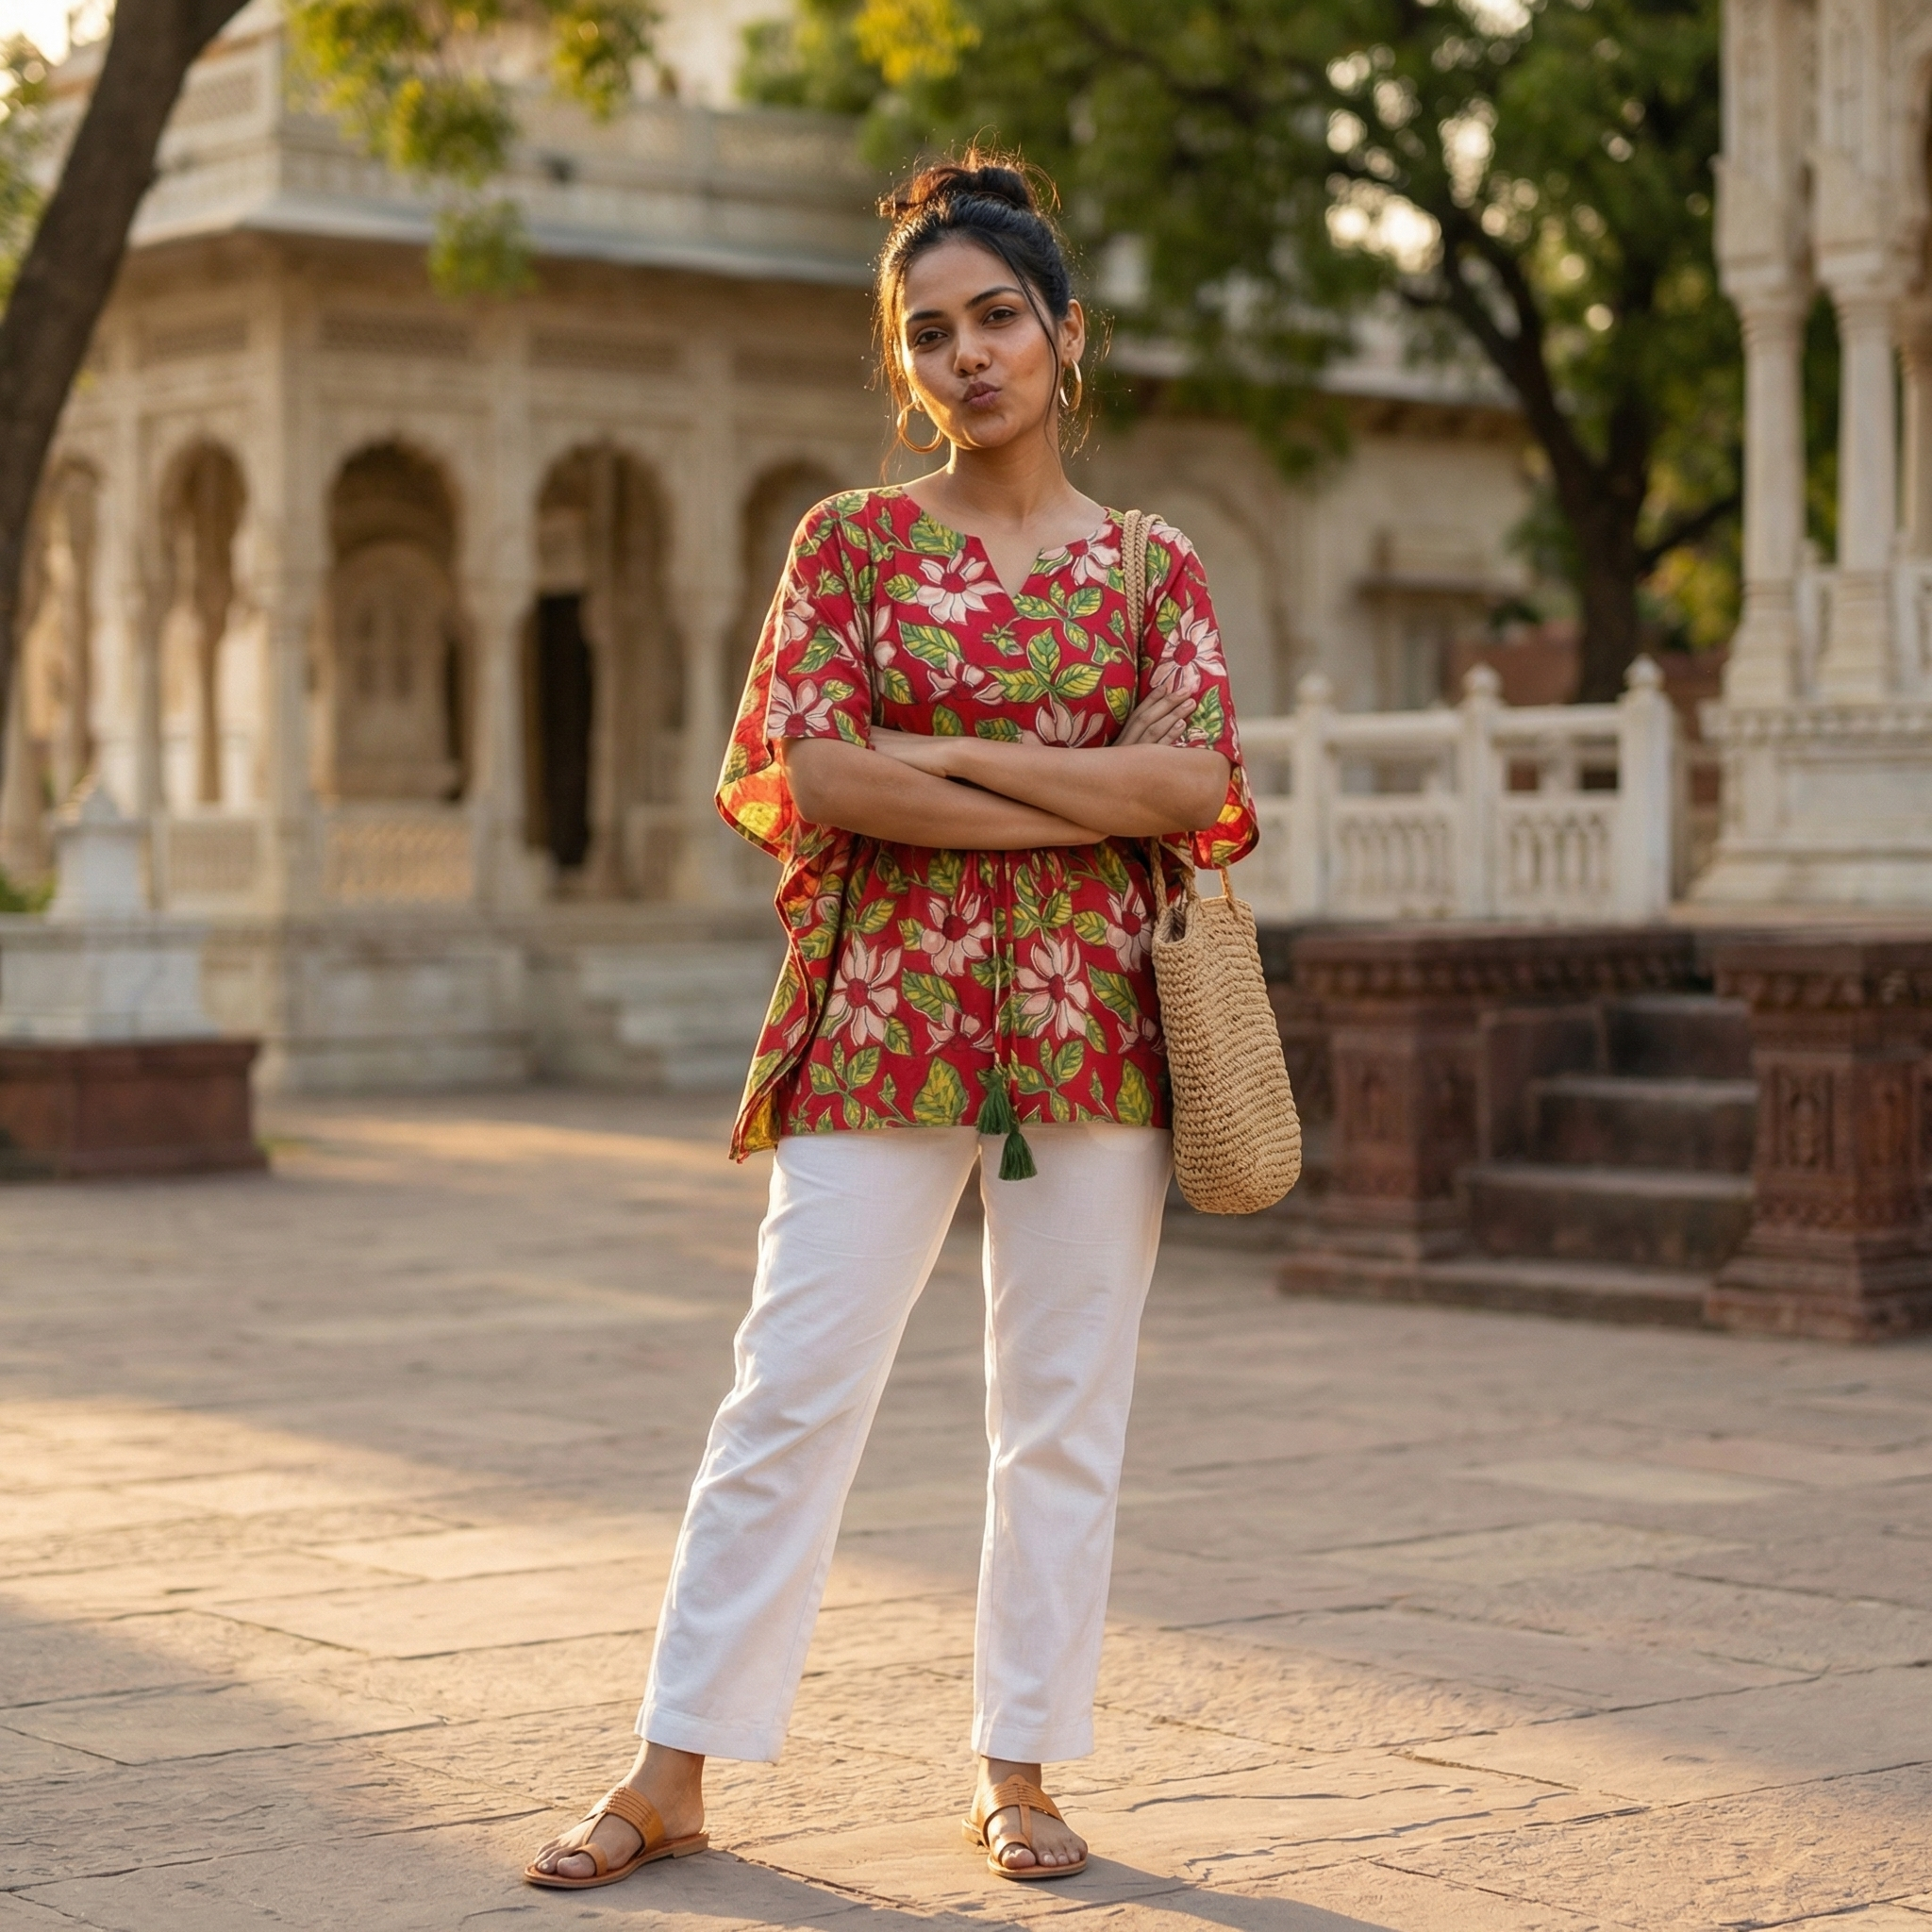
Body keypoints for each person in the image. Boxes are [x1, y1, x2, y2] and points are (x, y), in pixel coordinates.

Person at [525, 150, 1257, 1893]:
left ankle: (1018, 1766)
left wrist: (963, 759)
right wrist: (1079, 795)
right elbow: (822, 772)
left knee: (1061, 1408)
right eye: (930, 333)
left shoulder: (1151, 566)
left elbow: (1201, 776)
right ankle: (673, 1766)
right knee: (788, 1389)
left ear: (1066, 337)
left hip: (1096, 1037)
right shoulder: (847, 545)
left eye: (999, 317)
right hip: (883, 1019)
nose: (966, 355)